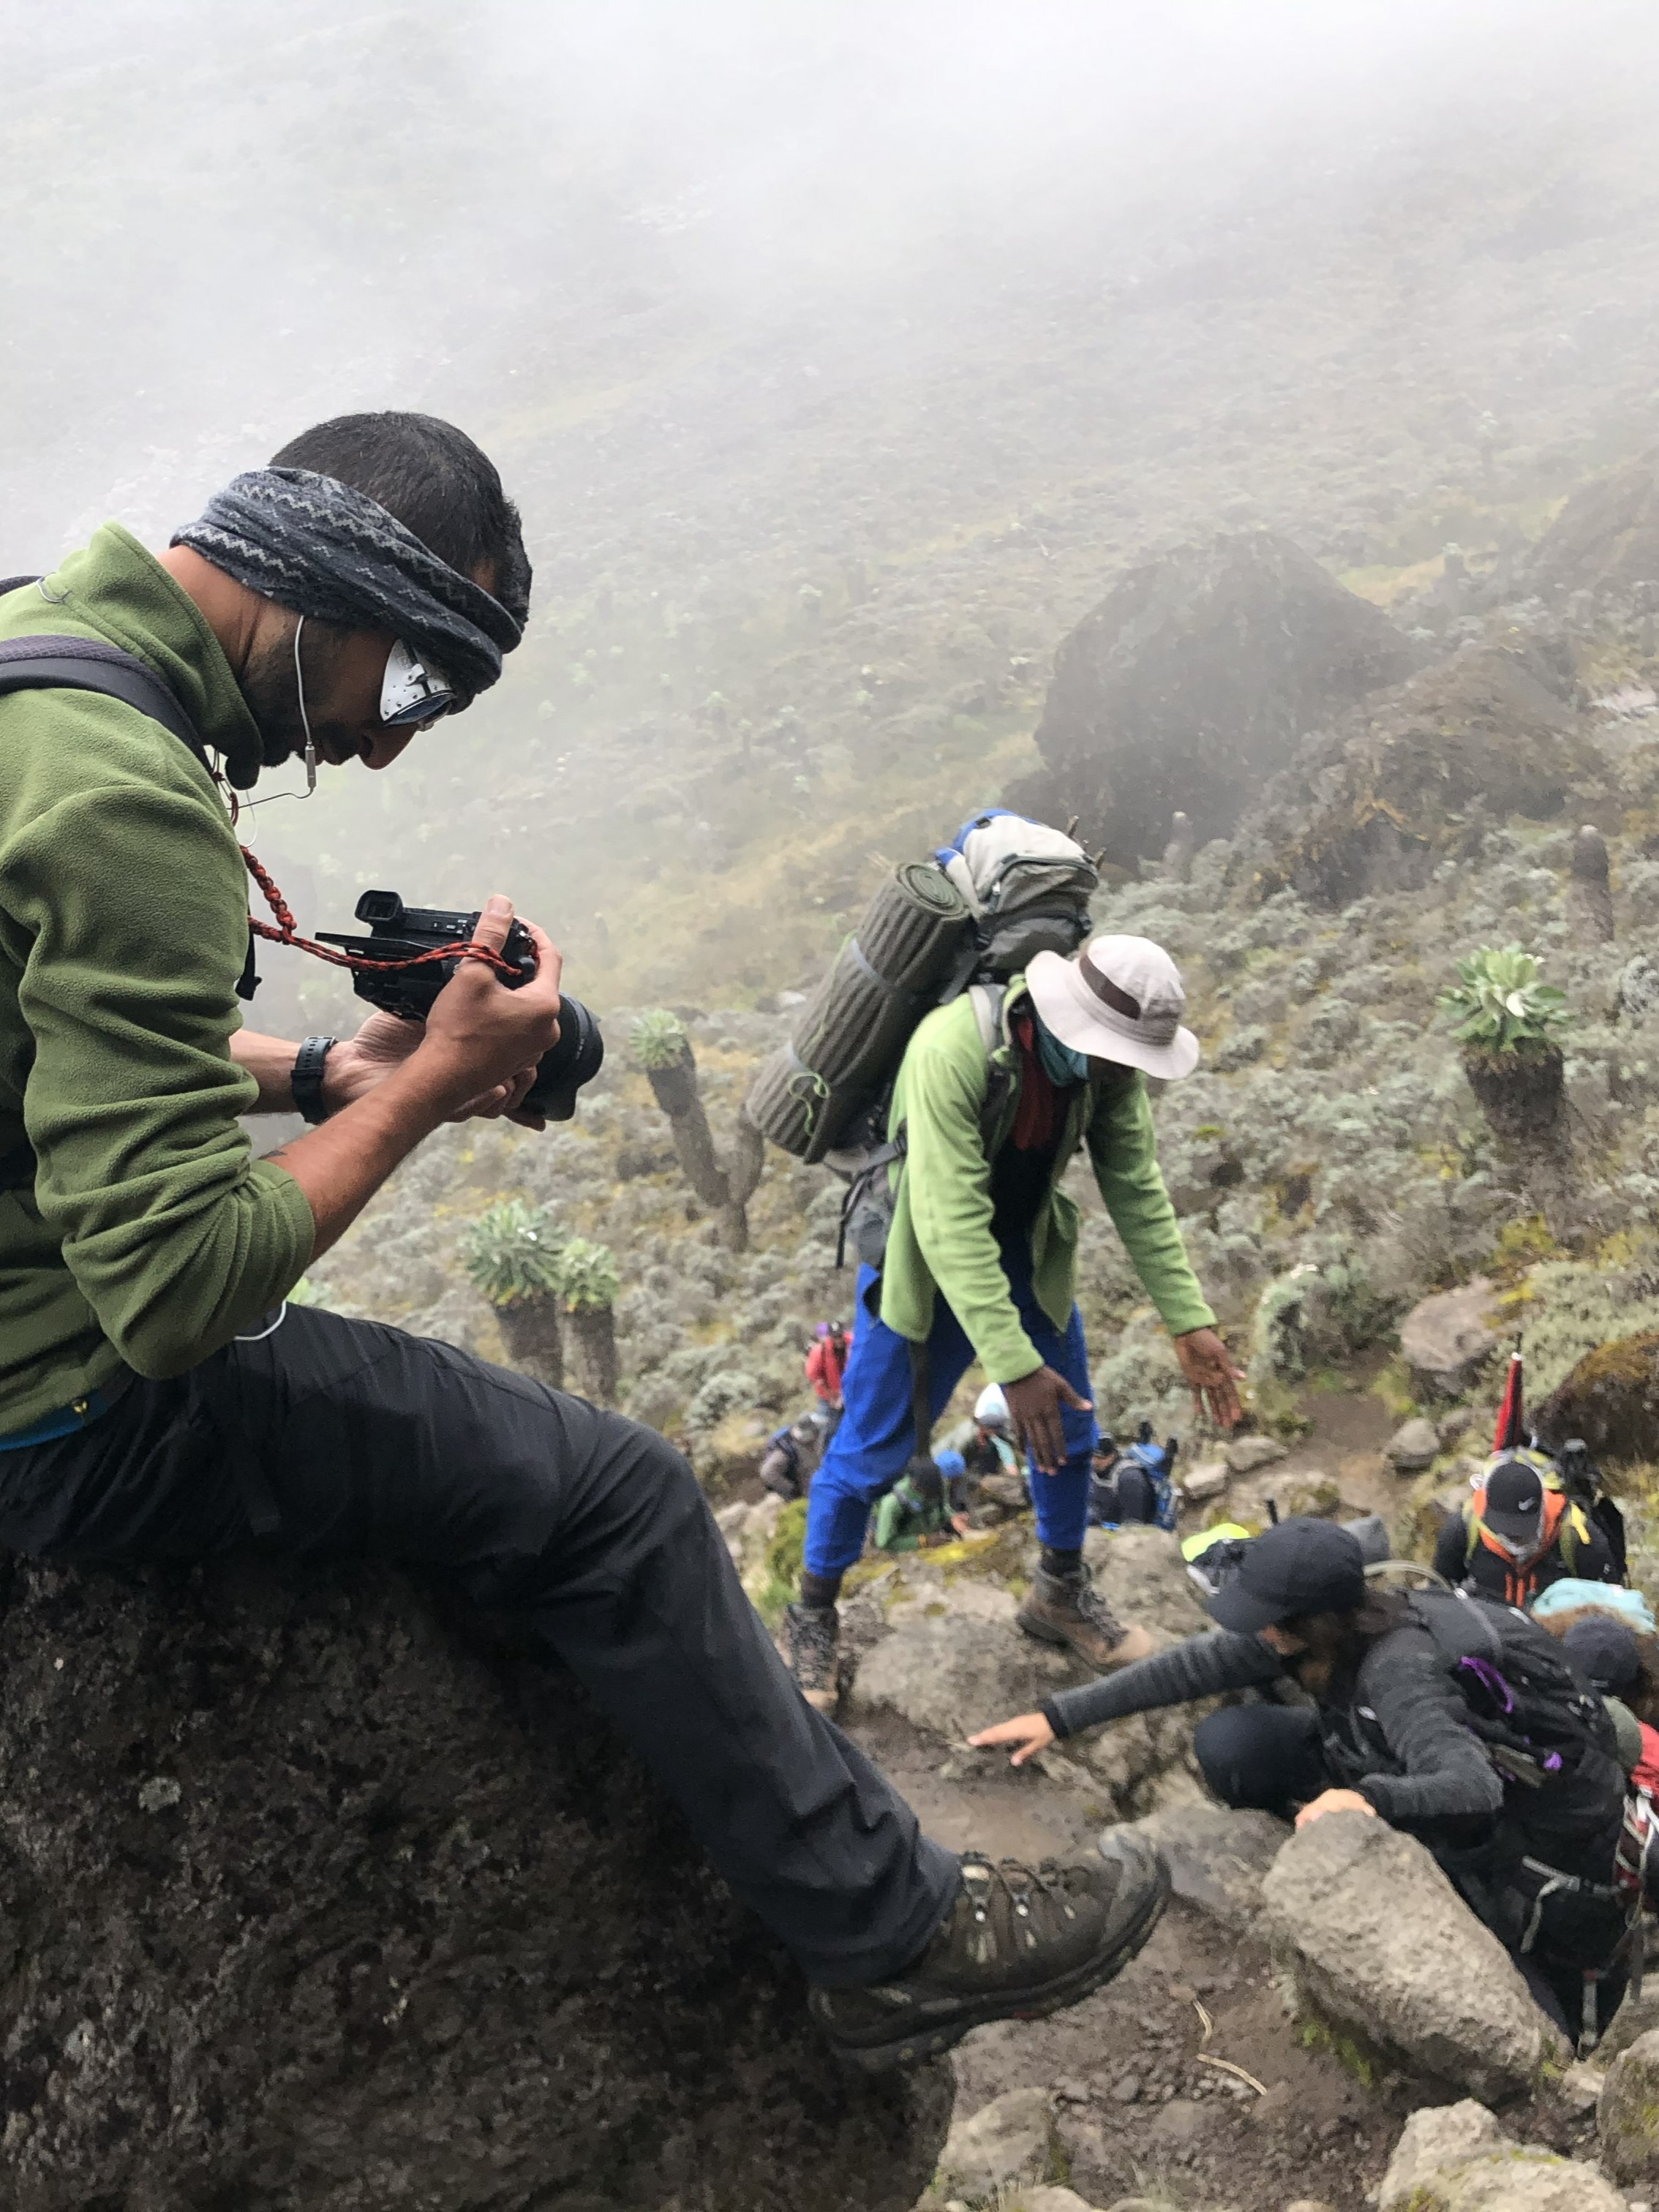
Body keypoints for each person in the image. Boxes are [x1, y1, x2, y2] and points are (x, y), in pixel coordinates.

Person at [0, 413, 1169, 2071]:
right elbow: (175, 1291)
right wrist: (426, 1100)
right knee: (612, 1495)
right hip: (56, 1401)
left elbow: (53, 1042)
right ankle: (888, 1936)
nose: (392, 750)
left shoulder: (36, 654)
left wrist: (328, 1070)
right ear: (320, 585)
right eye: (412, 687)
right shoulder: (127, 799)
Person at [971, 1518, 1644, 2046]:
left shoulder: (1401, 1675)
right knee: (1230, 1746)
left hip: (1509, 1827)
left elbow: (1473, 1784)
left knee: (1527, 1999)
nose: (1254, 1627)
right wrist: (1058, 1718)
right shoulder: (1333, 1628)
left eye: (1266, 1614)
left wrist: (1369, 1799)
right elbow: (1188, 1669)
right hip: (1384, 1759)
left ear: (1310, 1621)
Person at [786, 933, 1241, 1707]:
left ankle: (1058, 1592)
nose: (1129, 1072)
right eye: (1121, 1054)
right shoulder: (952, 1050)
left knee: (1068, 1430)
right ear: (1076, 1023)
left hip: (1028, 1249)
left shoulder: (1107, 1074)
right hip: (925, 1263)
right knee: (869, 1452)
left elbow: (1135, 1186)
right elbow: (948, 1222)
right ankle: (812, 1616)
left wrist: (1188, 1320)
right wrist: (1015, 1364)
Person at [1434, 1451, 1620, 1609]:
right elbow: (1437, 1597)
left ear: (1542, 1510)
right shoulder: (1462, 1529)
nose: (1515, 1538)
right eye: (1506, 1529)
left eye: (1523, 1529)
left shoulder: (1579, 1537)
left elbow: (1614, 1608)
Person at [873, 1448, 975, 1553]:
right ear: (915, 1485)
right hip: (905, 1550)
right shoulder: (892, 1504)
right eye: (929, 1494)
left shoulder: (940, 1484)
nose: (933, 1496)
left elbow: (943, 1507)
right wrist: (923, 1541)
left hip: (930, 1536)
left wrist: (953, 1517)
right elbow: (885, 1543)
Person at [806, 1320, 851, 1416]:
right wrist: (831, 1396)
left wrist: (844, 1394)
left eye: (840, 1336)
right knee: (828, 1425)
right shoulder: (820, 1351)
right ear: (830, 1337)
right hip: (830, 1396)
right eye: (835, 1337)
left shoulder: (853, 1344)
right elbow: (814, 1376)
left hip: (852, 1392)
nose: (839, 1340)